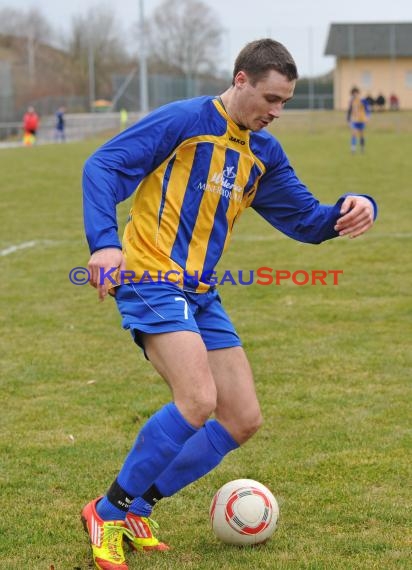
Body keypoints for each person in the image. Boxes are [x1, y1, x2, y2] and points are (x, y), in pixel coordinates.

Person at [81, 38, 377, 569]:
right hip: (150, 277)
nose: (276, 112)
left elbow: (308, 221)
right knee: (197, 399)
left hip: (201, 291)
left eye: (284, 102)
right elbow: (102, 167)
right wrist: (105, 242)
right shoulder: (183, 121)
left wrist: (354, 208)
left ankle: (139, 506)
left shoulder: (263, 153)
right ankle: (108, 511)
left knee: (241, 417)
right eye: (269, 98)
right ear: (240, 79)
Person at [347, 87, 371, 154]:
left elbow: (367, 109)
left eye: (356, 93)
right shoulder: (351, 101)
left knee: (361, 135)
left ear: (358, 93)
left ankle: (362, 148)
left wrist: (368, 117)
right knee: (354, 134)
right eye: (353, 93)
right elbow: (349, 111)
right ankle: (353, 149)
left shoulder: (363, 100)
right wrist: (348, 120)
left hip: (361, 120)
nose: (355, 94)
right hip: (354, 120)